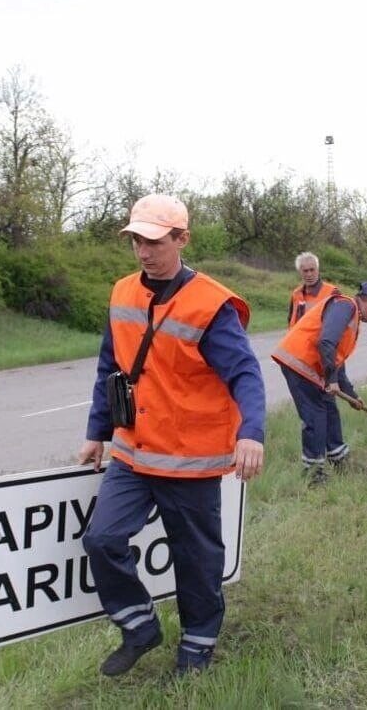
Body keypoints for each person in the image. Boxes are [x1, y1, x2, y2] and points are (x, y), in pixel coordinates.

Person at [77, 193, 266, 677]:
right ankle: (139, 626)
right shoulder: (122, 293)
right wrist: (97, 432)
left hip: (191, 460)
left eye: (156, 241)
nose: (144, 251)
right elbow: (110, 367)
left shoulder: (210, 305)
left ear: (182, 239)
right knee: (101, 539)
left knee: (197, 561)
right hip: (133, 453)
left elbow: (245, 373)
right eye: (137, 240)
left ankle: (196, 650)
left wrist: (252, 433)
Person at [271, 281, 367, 485]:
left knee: (329, 410)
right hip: (299, 363)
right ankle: (314, 473)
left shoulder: (351, 314)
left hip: (310, 367)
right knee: (315, 416)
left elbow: (335, 360)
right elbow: (326, 342)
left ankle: (339, 460)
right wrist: (331, 380)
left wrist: (351, 395)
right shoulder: (346, 306)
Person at [287, 251, 341, 327]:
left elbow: (338, 323)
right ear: (300, 272)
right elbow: (290, 320)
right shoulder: (296, 294)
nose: (309, 274)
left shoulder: (332, 292)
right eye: (305, 271)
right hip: (297, 338)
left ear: (318, 270)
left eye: (312, 270)